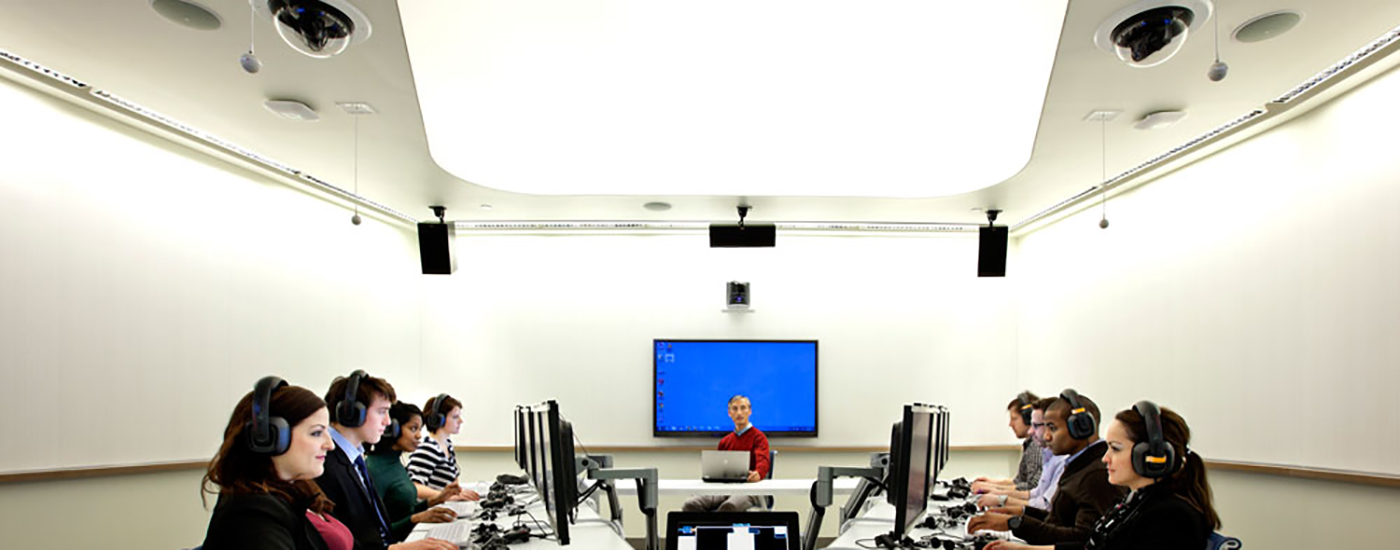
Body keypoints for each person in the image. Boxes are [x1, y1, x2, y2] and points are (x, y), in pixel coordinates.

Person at [985, 401, 1220, 550]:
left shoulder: (1171, 517)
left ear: (1151, 456)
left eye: (1115, 449)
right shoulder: (1138, 500)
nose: (1105, 458)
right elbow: (1091, 544)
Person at [201, 377, 354, 550]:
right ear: (270, 437)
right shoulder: (251, 517)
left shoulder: (299, 489)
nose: (330, 444)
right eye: (317, 433)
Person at [316, 370, 454, 550]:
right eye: (382, 412)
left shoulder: (355, 460)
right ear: (351, 413)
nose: (388, 422)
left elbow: (377, 529)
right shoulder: (323, 465)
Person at [968, 390, 1125, 545]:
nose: (1046, 436)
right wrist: (1015, 517)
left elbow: (1083, 539)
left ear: (1080, 428)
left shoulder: (1095, 474)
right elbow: (1057, 519)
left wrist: (1016, 523)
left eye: (1053, 428)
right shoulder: (1079, 464)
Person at [367, 402, 475, 542]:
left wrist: (435, 501)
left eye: (420, 429)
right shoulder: (375, 469)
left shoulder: (395, 462)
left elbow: (404, 511)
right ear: (391, 429)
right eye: (413, 429)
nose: (419, 436)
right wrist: (416, 519)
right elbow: (374, 536)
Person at [681, 395, 772, 512]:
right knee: (691, 504)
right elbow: (719, 468)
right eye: (735, 409)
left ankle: (717, 530)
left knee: (728, 508)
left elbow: (763, 461)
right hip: (725, 488)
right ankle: (704, 530)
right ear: (729, 413)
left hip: (750, 490)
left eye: (743, 408)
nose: (739, 412)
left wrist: (758, 473)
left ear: (750, 411)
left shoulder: (759, 437)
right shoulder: (725, 441)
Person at [978, 397, 1066, 513]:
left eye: (1014, 419)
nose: (1030, 431)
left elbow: (1043, 503)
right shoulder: (1048, 454)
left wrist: (999, 497)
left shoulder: (1059, 459)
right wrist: (995, 491)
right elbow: (1034, 492)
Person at [972, 392, 1042, 495]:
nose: (1010, 424)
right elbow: (1019, 482)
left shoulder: (1036, 446)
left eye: (1014, 419)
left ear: (1028, 419)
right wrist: (991, 483)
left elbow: (1031, 487)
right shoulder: (1030, 444)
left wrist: (994, 490)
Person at [407, 394, 471, 500]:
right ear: (438, 419)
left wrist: (462, 493)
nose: (460, 421)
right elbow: (415, 487)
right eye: (455, 417)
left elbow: (453, 484)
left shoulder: (447, 445)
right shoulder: (427, 449)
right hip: (432, 511)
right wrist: (446, 497)